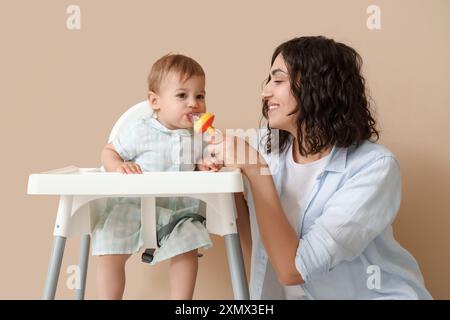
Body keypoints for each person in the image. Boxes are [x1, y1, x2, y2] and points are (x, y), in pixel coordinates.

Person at [210, 36, 432, 299]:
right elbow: (261, 247)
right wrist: (223, 173)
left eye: (278, 80)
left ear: (316, 86)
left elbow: (293, 271)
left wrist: (257, 170)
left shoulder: (374, 168)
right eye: (268, 80)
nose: (265, 92)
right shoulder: (264, 148)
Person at [92, 53, 220, 300]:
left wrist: (205, 165)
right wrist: (118, 165)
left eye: (200, 96)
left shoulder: (199, 137)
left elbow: (204, 162)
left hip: (180, 214)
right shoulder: (140, 130)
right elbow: (109, 151)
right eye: (182, 95)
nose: (193, 103)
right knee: (109, 249)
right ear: (155, 101)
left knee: (189, 246)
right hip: (134, 206)